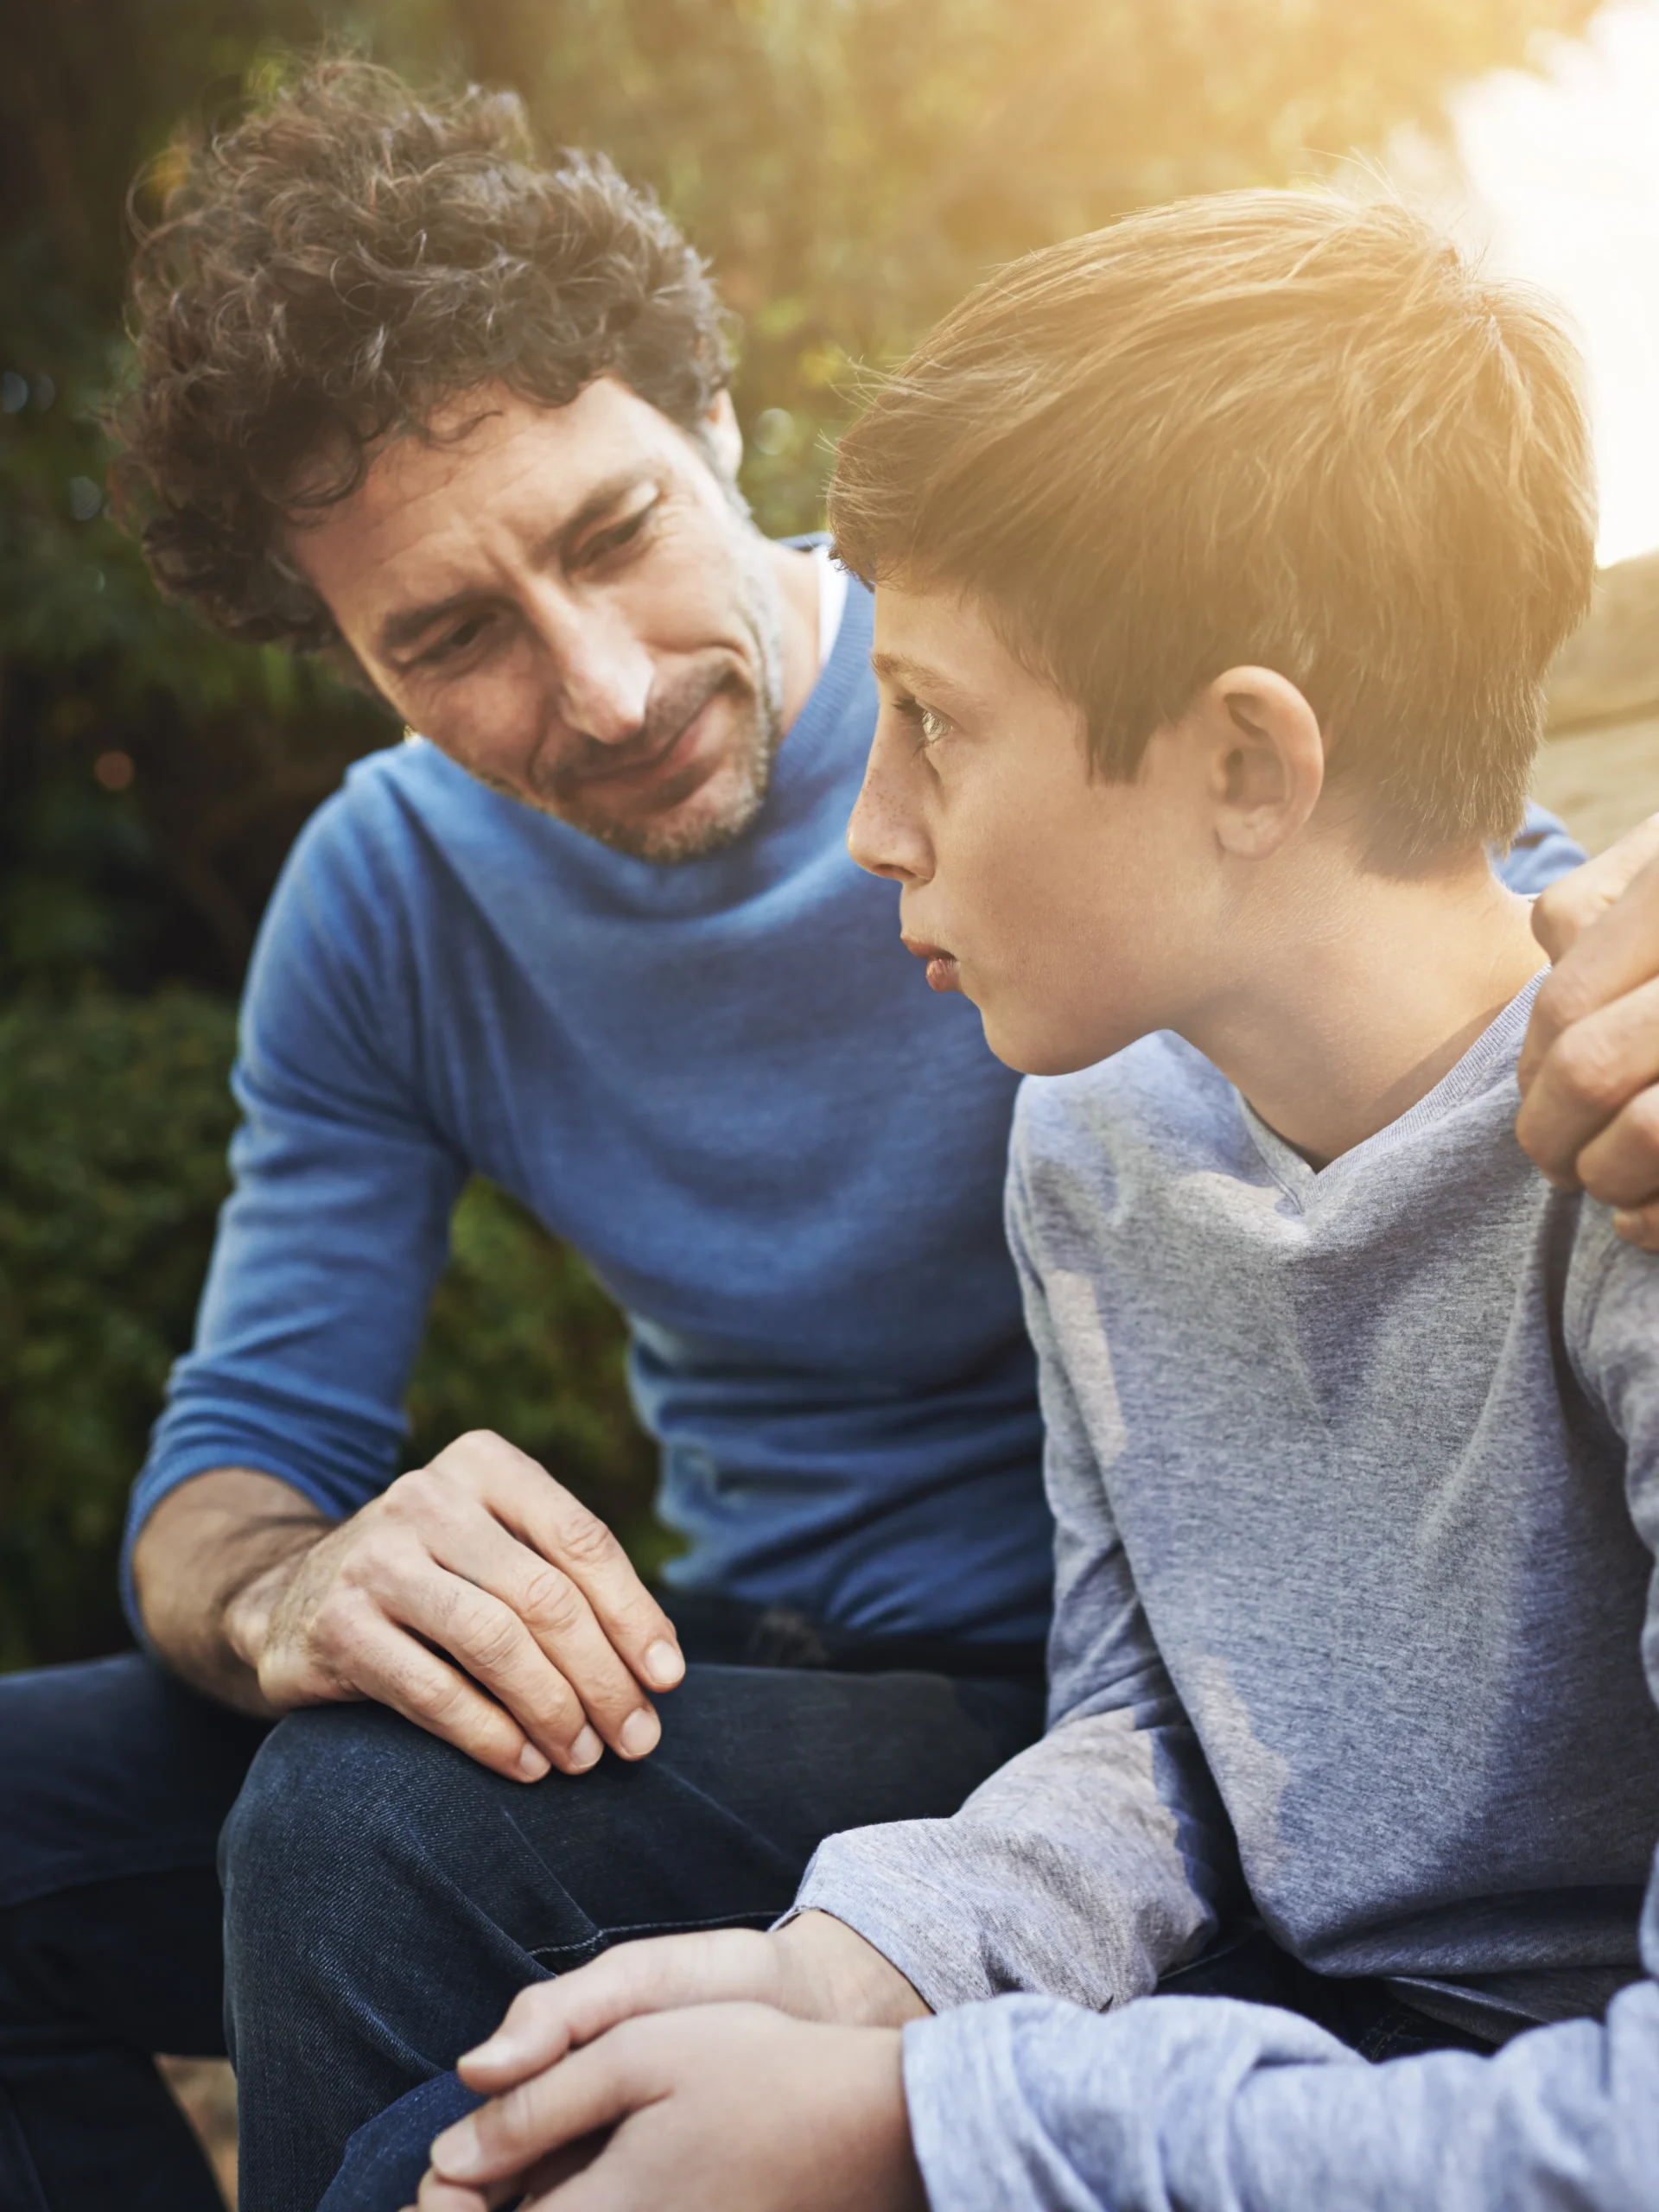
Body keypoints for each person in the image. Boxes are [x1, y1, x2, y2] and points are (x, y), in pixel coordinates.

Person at [0, 58, 1649, 2212]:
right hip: (839, 1694)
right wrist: (301, 1579)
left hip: (1066, 1742)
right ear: (347, 658)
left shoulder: (1135, 785)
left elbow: (1408, 878)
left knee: (365, 1820)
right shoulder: (432, 912)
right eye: (453, 638)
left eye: (613, 535)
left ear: (715, 426)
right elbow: (239, 1440)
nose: (596, 689)